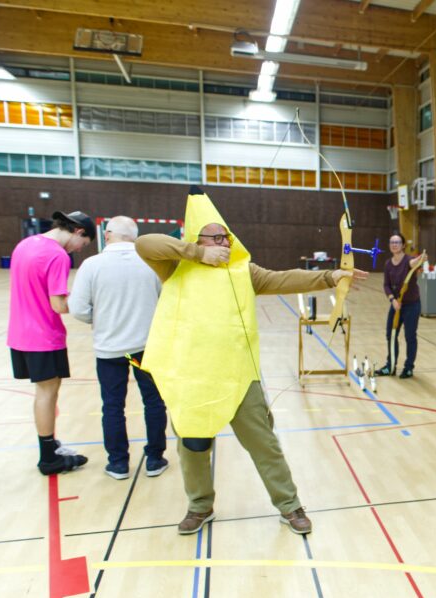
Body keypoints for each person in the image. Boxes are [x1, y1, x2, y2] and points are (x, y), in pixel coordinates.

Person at [136, 186, 368, 536]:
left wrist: (329, 276)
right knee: (193, 448)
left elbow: (282, 279)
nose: (224, 243)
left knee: (264, 444)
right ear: (197, 239)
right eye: (215, 238)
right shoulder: (174, 267)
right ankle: (199, 506)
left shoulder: (243, 271)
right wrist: (198, 253)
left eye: (226, 237)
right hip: (193, 379)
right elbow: (144, 244)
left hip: (238, 376)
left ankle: (289, 505)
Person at [68, 216, 169, 481]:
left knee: (112, 406)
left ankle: (118, 463)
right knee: (154, 402)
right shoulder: (152, 263)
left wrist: (100, 319)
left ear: (107, 234)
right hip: (145, 350)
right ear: (135, 237)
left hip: (110, 350)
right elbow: (165, 302)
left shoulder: (91, 265)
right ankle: (155, 459)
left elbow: (77, 309)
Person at [8, 210, 96, 475]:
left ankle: (49, 446)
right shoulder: (58, 255)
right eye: (83, 244)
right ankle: (48, 458)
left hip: (19, 333)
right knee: (48, 393)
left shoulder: (25, 244)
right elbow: (58, 305)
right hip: (43, 336)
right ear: (79, 232)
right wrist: (90, 302)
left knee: (43, 392)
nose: (79, 250)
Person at [378, 233, 427, 379]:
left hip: (412, 305)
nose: (394, 244)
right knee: (391, 335)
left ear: (403, 245)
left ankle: (408, 368)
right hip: (396, 305)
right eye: (392, 242)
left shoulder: (408, 260)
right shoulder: (388, 264)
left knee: (410, 336)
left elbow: (414, 263)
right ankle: (390, 365)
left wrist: (420, 259)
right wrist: (392, 300)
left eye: (397, 242)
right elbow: (386, 285)